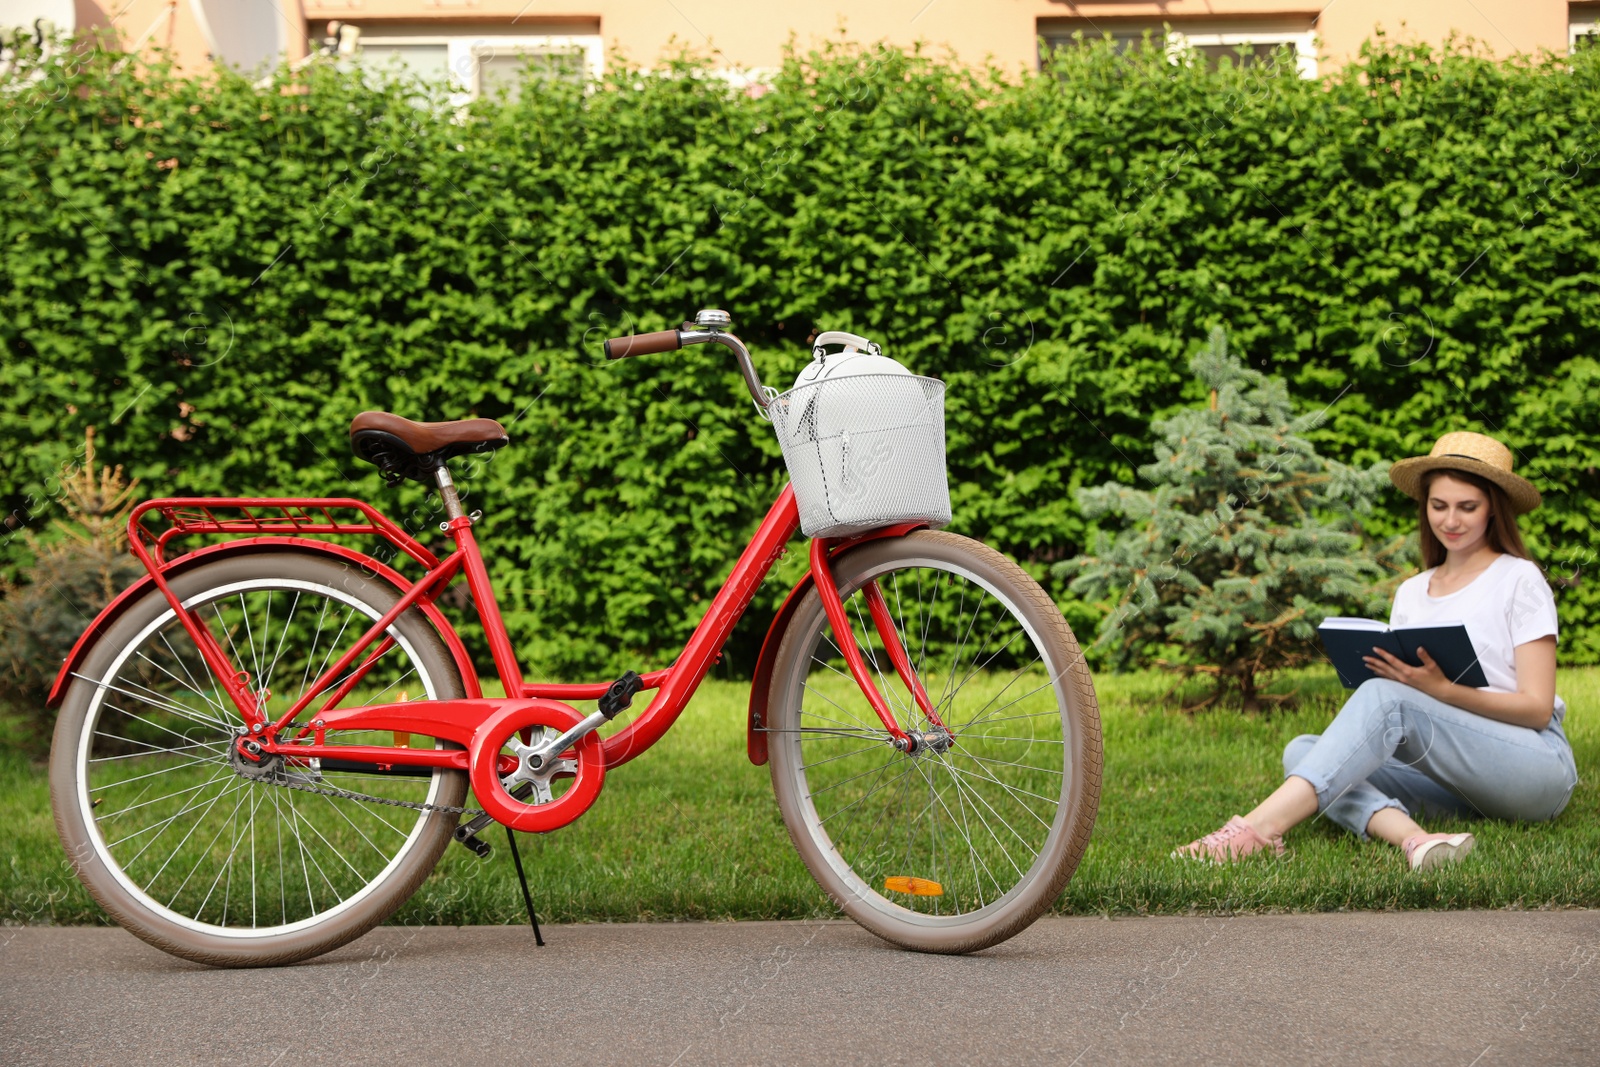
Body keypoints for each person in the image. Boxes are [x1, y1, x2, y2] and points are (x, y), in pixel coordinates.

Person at [1174, 431, 1579, 870]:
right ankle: (1417, 840)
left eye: (1468, 507)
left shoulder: (1520, 579)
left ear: (1494, 509)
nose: (1451, 521)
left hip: (1534, 770)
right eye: (1439, 506)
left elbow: (1538, 709)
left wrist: (1438, 690)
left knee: (1389, 702)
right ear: (1425, 507)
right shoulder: (1412, 592)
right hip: (1457, 783)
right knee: (1303, 750)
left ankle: (1256, 831)